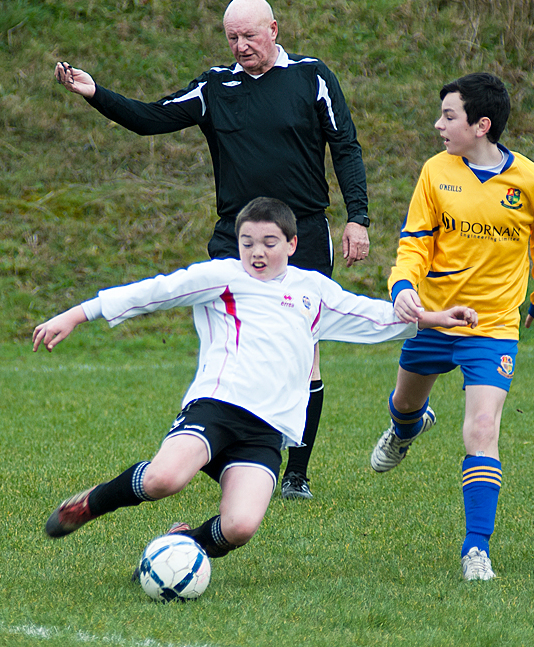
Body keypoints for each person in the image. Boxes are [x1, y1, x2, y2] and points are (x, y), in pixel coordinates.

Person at [33, 197, 477, 567]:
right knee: (164, 480)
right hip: (216, 406)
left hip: (267, 429)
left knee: (240, 528)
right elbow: (154, 291)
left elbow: (371, 315)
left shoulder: (313, 290)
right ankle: (91, 503)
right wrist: (76, 315)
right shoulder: (221, 278)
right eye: (247, 243)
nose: (257, 252)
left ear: (292, 243)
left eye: (268, 242)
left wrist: (436, 318)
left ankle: (180, 550)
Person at [53, 0, 371, 500]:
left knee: (301, 354)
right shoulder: (214, 88)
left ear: (273, 28)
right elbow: (150, 118)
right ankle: (214, 451)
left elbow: (346, 146)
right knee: (228, 346)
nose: (241, 46)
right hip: (235, 237)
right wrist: (97, 93)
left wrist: (358, 218)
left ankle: (296, 474)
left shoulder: (312, 76)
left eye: (249, 36)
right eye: (232, 39)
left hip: (302, 234)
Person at [369, 73, 534, 581]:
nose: (438, 125)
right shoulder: (436, 172)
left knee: (481, 430)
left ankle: (476, 548)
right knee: (406, 404)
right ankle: (406, 429)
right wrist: (403, 286)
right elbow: (414, 239)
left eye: (448, 116)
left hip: (494, 327)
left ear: (482, 125)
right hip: (433, 318)